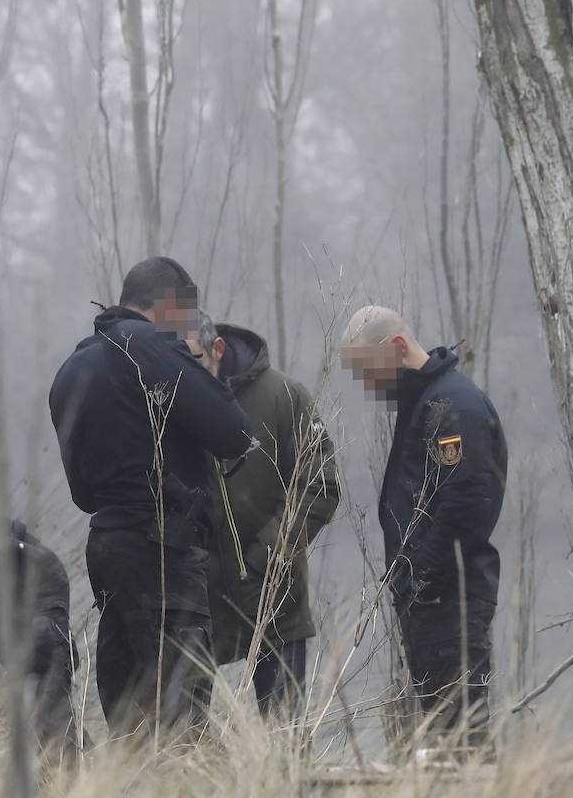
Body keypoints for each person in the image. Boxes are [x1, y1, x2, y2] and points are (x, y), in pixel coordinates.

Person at [48, 257, 252, 739]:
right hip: (163, 549)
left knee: (128, 714)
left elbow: (83, 493)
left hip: (107, 547)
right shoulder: (147, 348)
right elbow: (233, 432)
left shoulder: (73, 367)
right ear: (169, 306)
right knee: (184, 716)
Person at [339, 305, 507, 755]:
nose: (367, 386)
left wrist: (422, 577)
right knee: (442, 737)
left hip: (452, 596)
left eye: (368, 371)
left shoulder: (452, 405)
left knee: (460, 738)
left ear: (396, 347)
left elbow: (468, 502)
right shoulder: (426, 402)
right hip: (431, 599)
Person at [184, 312, 340, 722]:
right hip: (196, 610)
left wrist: (266, 558)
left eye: (194, 359)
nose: (185, 371)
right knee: (186, 751)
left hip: (275, 603)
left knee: (285, 744)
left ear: (217, 349)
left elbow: (320, 486)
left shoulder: (283, 396)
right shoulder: (169, 402)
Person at [0, 519, 86, 759]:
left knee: (46, 696)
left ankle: (80, 778)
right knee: (45, 701)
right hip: (3, 573)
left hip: (29, 581)